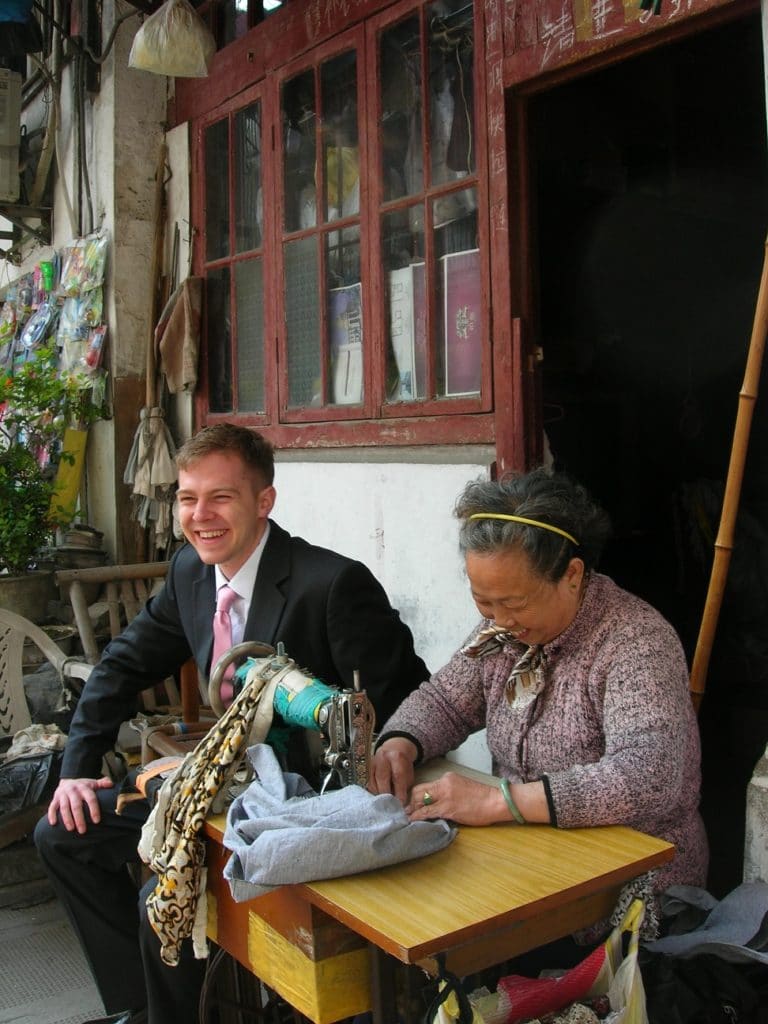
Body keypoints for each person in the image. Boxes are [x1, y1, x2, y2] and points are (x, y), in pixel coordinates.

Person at [35, 423, 429, 1024]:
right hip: (221, 786)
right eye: (188, 499)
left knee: (161, 899)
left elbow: (408, 695)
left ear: (263, 501)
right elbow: (118, 668)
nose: (201, 515)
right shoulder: (191, 574)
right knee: (62, 835)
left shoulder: (331, 585)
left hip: (301, 805)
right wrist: (76, 771)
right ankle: (138, 1005)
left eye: (221, 497)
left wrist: (396, 749)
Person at [370, 468, 708, 903]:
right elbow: (446, 702)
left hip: (634, 890)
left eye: (514, 602)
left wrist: (500, 803)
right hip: (531, 868)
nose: (498, 620)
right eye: (483, 601)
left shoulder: (635, 641)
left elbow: (647, 776)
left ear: (572, 575)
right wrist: (402, 741)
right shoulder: (501, 634)